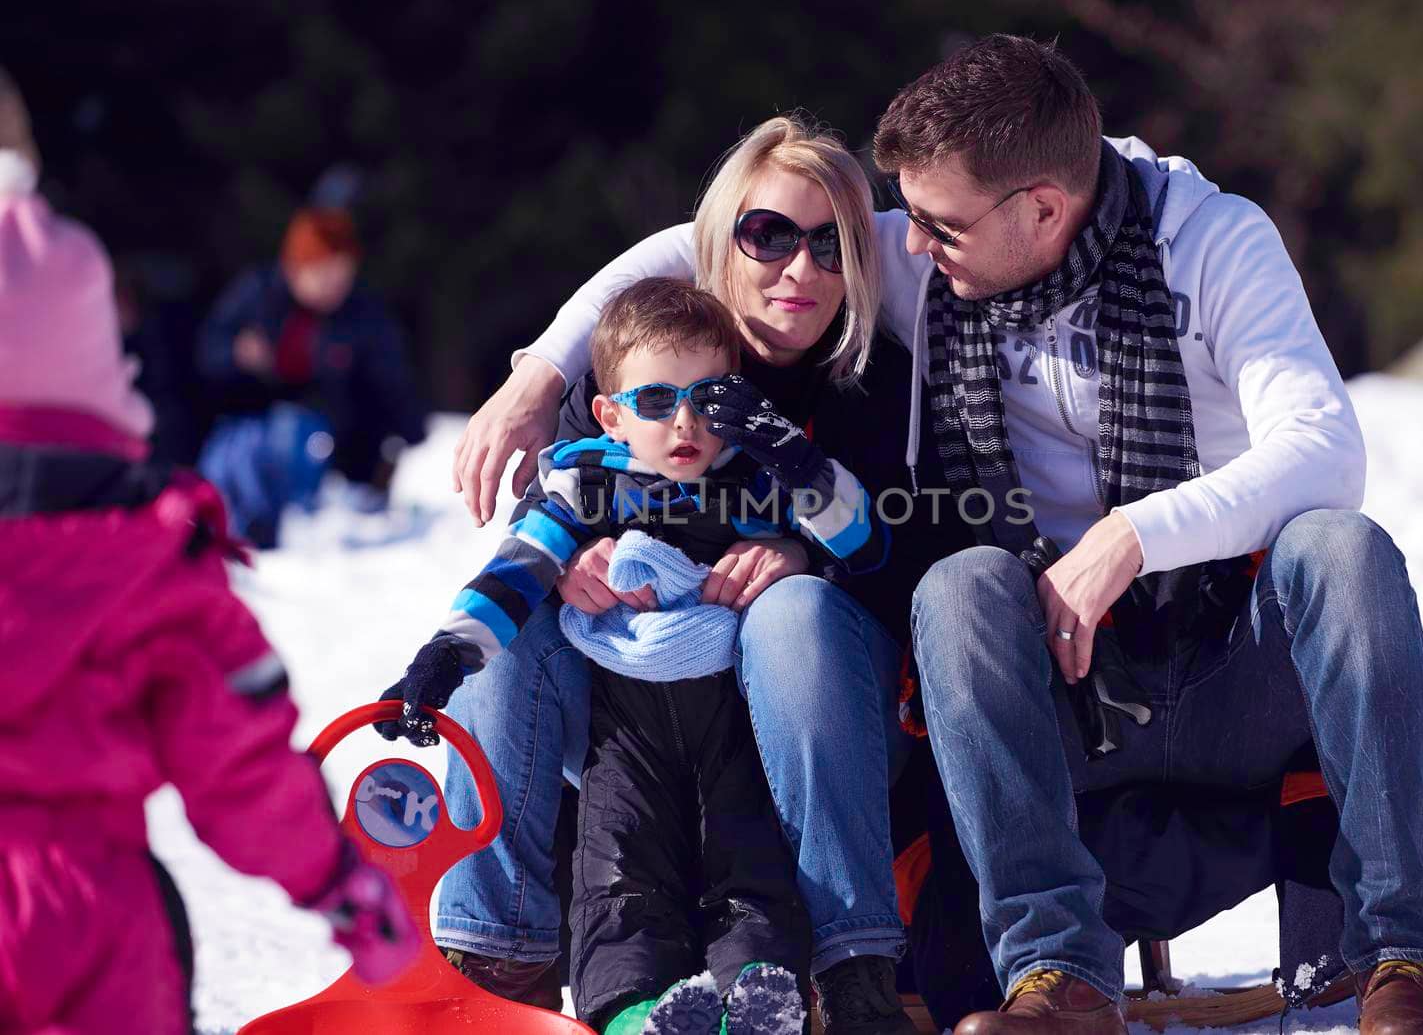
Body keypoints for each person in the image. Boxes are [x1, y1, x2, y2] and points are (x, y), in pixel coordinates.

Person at [457, 38, 1423, 1035]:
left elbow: (1325, 450)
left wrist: (1130, 538)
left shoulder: (1210, 242)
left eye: (933, 224)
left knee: (1339, 547)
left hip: (1220, 644)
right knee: (966, 583)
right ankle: (1054, 981)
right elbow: (706, 241)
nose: (910, 246)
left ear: (1041, 208)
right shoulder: (943, 252)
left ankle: (1398, 959)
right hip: (1057, 670)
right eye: (906, 220)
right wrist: (543, 373)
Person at [420, 116, 958, 1035]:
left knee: (790, 612)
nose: (801, 270)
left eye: (832, 246)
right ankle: (496, 956)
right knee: (518, 619)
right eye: (771, 236)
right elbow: (556, 506)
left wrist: (805, 553)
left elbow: (907, 551)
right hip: (638, 722)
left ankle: (854, 964)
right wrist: (568, 562)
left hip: (816, 713)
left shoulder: (880, 381)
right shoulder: (651, 354)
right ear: (723, 241)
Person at [0, 65, 418, 1035]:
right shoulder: (147, 568)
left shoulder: (354, 321)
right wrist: (339, 886)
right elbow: (239, 765)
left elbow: (385, 393)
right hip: (92, 921)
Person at [387, 277, 899, 1035]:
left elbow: (865, 543)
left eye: (709, 400)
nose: (685, 422)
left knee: (753, 874)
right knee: (619, 879)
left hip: (737, 734)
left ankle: (760, 1004)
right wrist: (445, 657)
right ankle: (634, 1016)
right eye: (658, 402)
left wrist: (789, 454)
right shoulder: (587, 479)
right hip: (623, 738)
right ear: (611, 414)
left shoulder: (758, 475)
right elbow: (516, 570)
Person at [197, 206, 426, 546]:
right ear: (295, 268)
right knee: (236, 453)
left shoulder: (363, 318)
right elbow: (206, 354)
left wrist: (403, 437)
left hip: (324, 445)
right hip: (245, 423)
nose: (333, 287)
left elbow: (390, 385)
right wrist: (237, 354)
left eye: (342, 276)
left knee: (295, 432)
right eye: (323, 275)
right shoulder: (257, 295)